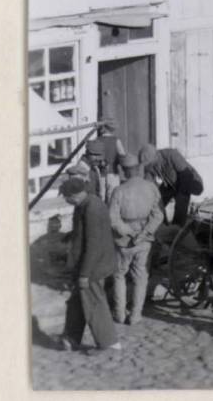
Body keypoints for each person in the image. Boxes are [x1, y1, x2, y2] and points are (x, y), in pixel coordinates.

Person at [56, 177, 120, 354]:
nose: (65, 200)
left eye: (66, 197)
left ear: (74, 195)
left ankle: (109, 343)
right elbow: (84, 234)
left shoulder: (92, 208)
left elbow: (94, 245)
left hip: (93, 267)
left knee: (94, 304)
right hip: (86, 264)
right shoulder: (84, 204)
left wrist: (85, 274)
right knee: (76, 302)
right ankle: (71, 338)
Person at [108, 153, 164, 326]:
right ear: (138, 168)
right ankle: (135, 315)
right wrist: (145, 232)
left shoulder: (119, 191)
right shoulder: (151, 187)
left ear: (123, 171)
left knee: (119, 276)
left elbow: (113, 219)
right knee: (141, 276)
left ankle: (119, 314)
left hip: (123, 240)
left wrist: (129, 232)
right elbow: (158, 214)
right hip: (144, 240)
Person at [138, 144, 203, 225]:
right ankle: (162, 225)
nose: (150, 166)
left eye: (150, 163)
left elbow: (186, 175)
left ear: (155, 156)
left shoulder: (171, 154)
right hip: (171, 184)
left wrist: (178, 194)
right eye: (148, 165)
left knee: (181, 197)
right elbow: (148, 184)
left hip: (191, 181)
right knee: (157, 199)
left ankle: (177, 227)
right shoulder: (150, 164)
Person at [84, 119, 125, 203]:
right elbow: (122, 156)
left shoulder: (97, 140)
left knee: (100, 196)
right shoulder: (116, 140)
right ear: (112, 130)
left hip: (100, 173)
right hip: (113, 173)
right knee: (112, 198)